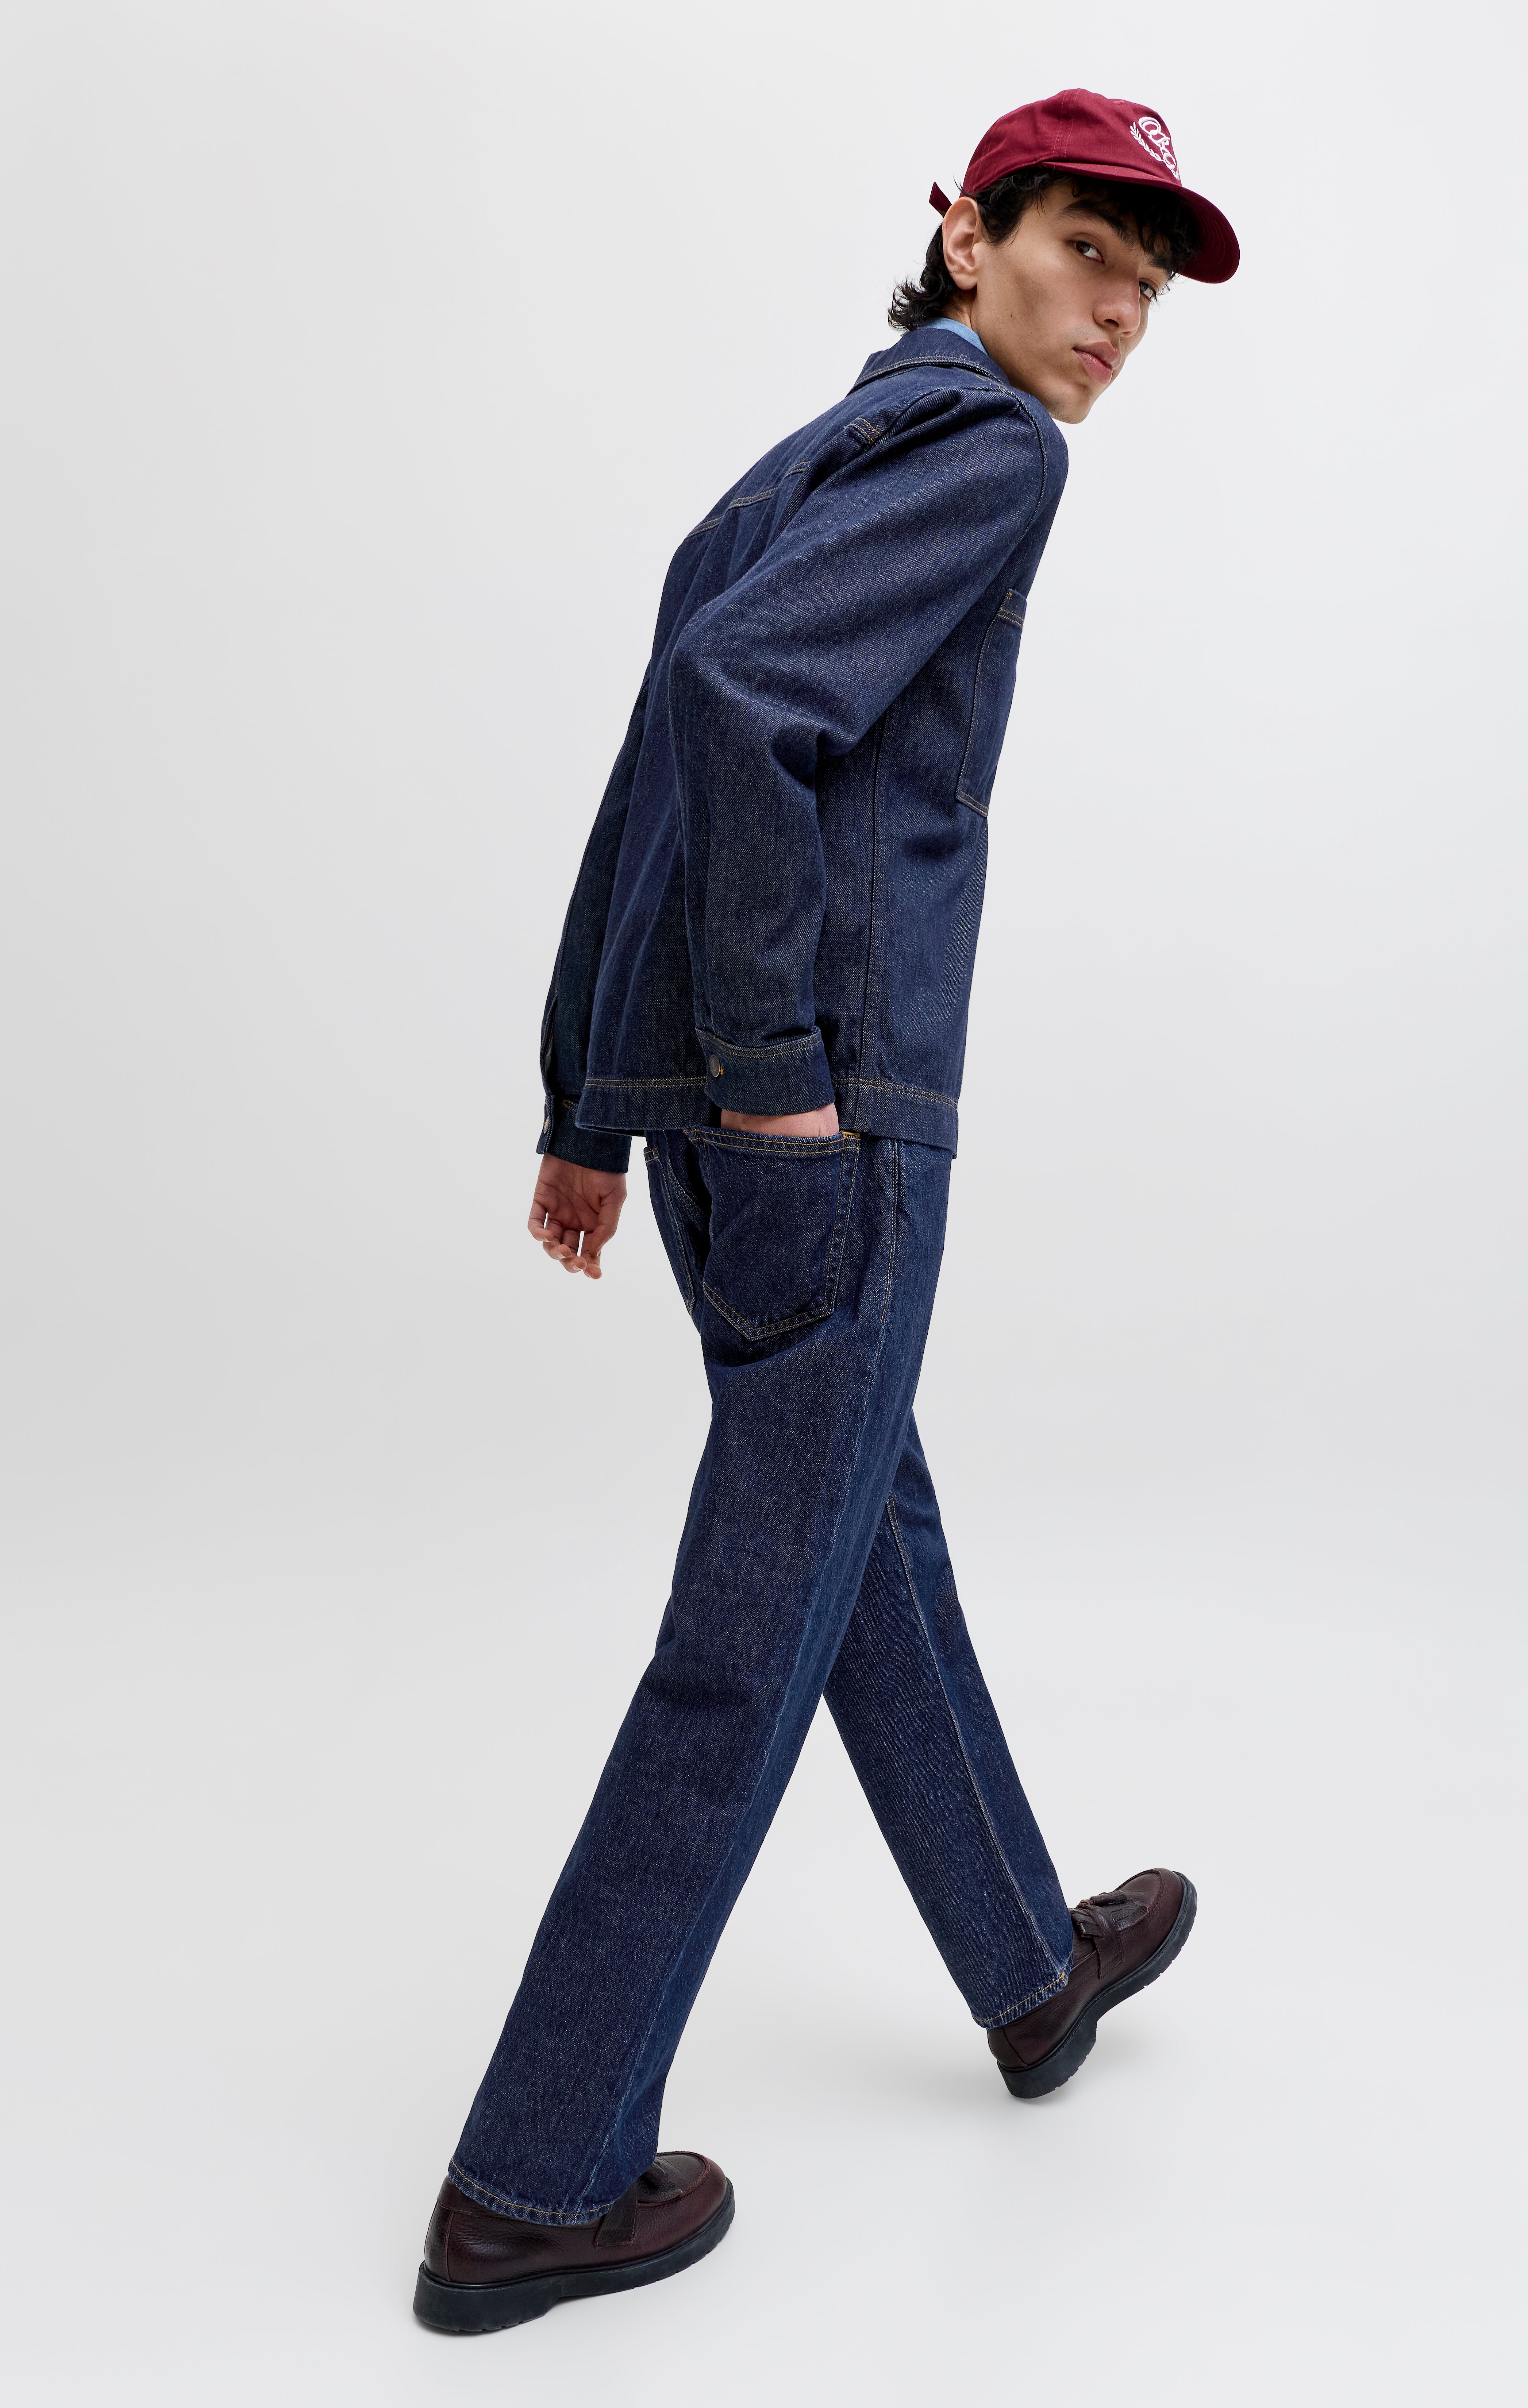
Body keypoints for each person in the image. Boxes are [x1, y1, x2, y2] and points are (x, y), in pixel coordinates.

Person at [413, 88, 1239, 2336]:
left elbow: (658, 759)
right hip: (828, 1122)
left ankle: (1025, 1965)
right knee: (748, 1633)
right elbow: (733, 710)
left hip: (718, 1121)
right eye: (1082, 254)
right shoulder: (988, 452)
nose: (1113, 318)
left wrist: (601, 1103)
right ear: (966, 235)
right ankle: (534, 2178)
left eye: (1145, 293)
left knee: (866, 1530)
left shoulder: (797, 465)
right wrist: (780, 1078)